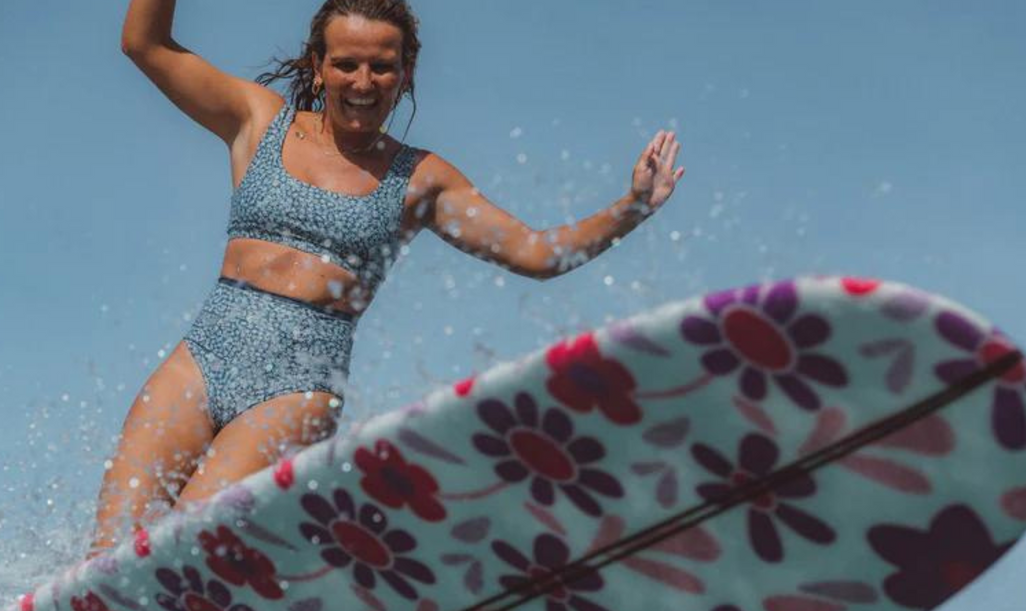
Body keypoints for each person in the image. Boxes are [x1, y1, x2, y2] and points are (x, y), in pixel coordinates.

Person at [88, 0, 684, 559]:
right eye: (346, 64)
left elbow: (534, 253)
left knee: (183, 549)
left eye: (381, 67)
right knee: (109, 556)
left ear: (406, 72)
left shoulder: (421, 179)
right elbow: (145, 45)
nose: (363, 83)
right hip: (202, 356)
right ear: (318, 67)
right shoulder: (258, 120)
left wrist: (631, 207)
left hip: (297, 387)